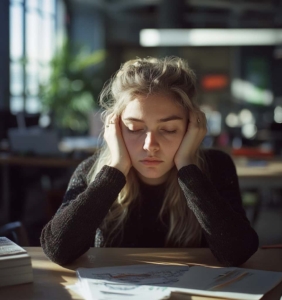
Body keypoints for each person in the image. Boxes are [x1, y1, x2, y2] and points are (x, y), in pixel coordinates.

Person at [40, 56, 259, 266]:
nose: (150, 145)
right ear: (115, 128)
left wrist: (187, 166)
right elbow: (58, 250)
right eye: (134, 128)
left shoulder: (216, 167)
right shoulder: (91, 171)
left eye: (169, 129)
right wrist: (116, 169)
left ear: (192, 127)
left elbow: (238, 252)